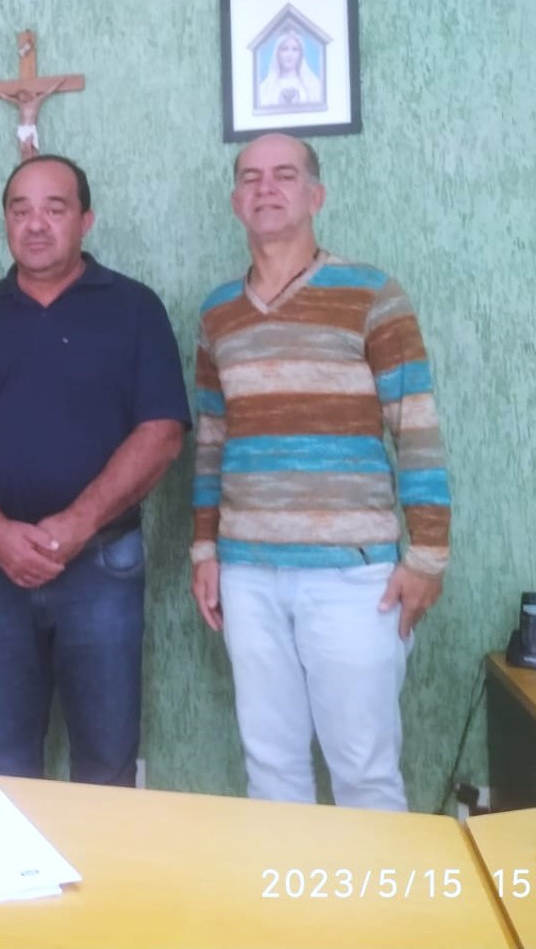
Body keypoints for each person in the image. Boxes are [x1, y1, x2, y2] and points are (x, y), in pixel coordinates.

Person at [189, 133, 451, 811]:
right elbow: (213, 440)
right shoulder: (218, 312)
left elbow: (415, 425)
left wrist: (427, 557)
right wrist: (204, 545)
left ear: (316, 194)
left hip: (354, 573)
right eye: (250, 177)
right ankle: (295, 914)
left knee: (363, 768)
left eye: (284, 175)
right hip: (247, 572)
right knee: (271, 768)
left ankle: (376, 918)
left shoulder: (371, 294)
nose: (265, 188)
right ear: (234, 200)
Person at [0, 155, 190, 786]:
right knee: (6, 761)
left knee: (106, 758)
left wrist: (75, 524)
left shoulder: (134, 308)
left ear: (86, 220)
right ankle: (18, 886)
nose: (35, 224)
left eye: (54, 207)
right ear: (6, 224)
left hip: (100, 565)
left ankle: (110, 886)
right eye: (20, 210)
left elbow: (162, 433)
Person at [255, 31, 324, 111]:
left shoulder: (314, 86)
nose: (290, 54)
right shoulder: (265, 88)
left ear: (301, 54)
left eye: (295, 49)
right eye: (284, 49)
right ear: (277, 53)